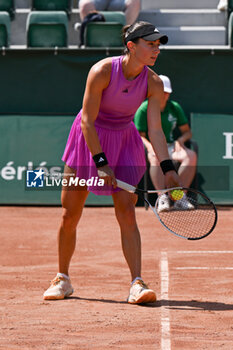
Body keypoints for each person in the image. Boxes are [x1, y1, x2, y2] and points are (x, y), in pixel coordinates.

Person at [43, 21, 180, 304]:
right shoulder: (103, 71)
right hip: (88, 139)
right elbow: (87, 121)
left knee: (127, 213)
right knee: (70, 213)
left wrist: (168, 168)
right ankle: (62, 278)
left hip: (125, 141)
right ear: (131, 45)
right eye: (150, 44)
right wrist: (101, 162)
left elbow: (155, 129)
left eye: (158, 45)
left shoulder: (153, 82)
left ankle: (137, 283)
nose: (156, 50)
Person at [134, 75, 197, 211]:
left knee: (190, 155)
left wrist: (180, 141)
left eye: (166, 92)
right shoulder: (143, 109)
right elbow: (139, 136)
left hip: (170, 146)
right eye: (161, 92)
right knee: (155, 158)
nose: (164, 95)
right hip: (152, 148)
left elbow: (187, 132)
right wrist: (150, 147)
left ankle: (179, 197)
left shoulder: (174, 107)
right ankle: (162, 197)